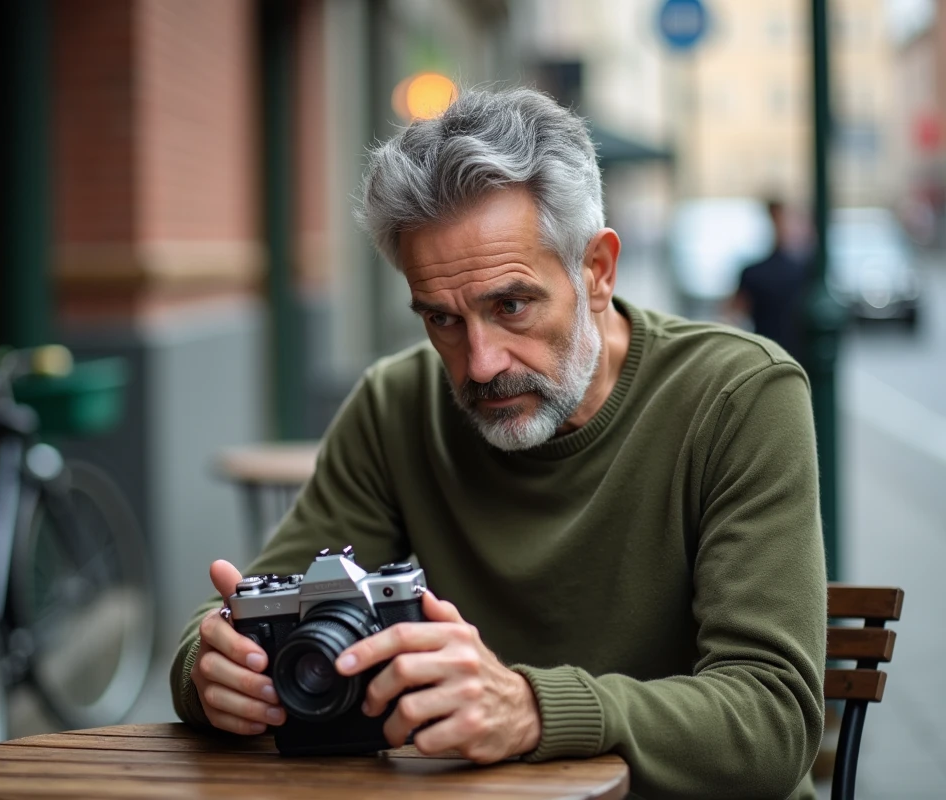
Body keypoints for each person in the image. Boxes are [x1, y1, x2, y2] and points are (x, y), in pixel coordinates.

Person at [170, 88, 825, 800]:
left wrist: (532, 708)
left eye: (510, 306)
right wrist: (211, 673)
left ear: (597, 271)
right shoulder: (397, 403)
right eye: (443, 319)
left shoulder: (737, 395)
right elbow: (232, 617)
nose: (479, 363)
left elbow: (773, 721)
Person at [728, 200, 811, 364]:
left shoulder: (803, 269)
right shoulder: (802, 269)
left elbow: (732, 315)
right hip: (778, 355)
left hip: (772, 355)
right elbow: (733, 314)